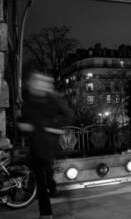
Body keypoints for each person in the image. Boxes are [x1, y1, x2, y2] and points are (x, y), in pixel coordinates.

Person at [18, 72, 72, 219]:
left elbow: (66, 114)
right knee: (41, 178)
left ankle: (46, 211)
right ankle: (46, 209)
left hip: (48, 143)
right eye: (35, 82)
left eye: (39, 82)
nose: (36, 84)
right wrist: (23, 125)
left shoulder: (51, 99)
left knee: (43, 177)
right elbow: (24, 118)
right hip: (35, 143)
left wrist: (54, 126)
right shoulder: (30, 99)